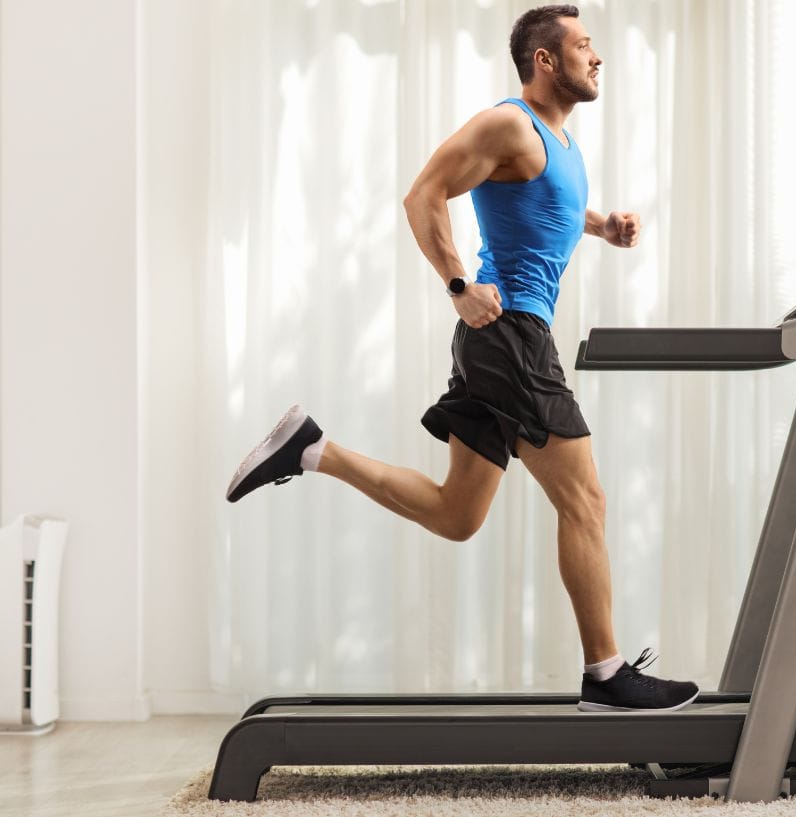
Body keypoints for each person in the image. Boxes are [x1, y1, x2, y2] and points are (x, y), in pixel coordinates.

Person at [224, 4, 698, 713]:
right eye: (584, 46)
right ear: (545, 60)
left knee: (457, 513)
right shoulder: (511, 123)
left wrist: (605, 226)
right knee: (586, 499)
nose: (598, 58)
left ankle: (313, 449)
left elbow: (551, 209)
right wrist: (456, 286)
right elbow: (423, 195)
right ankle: (606, 674)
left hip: (501, 341)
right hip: (510, 336)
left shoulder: (560, 143)